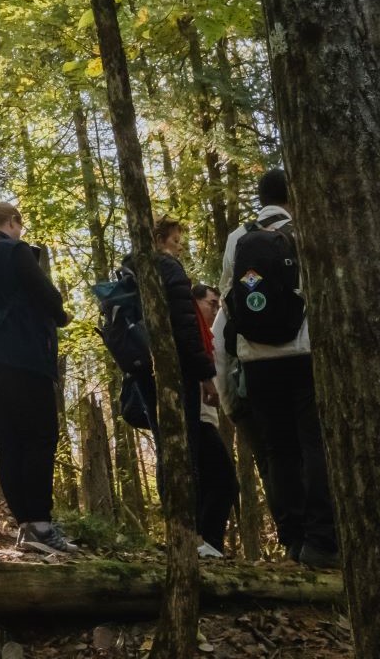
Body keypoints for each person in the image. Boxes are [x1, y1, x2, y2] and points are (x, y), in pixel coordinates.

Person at [215, 169, 338, 568]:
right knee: (314, 444)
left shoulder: (238, 237)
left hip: (256, 358)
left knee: (278, 450)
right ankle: (322, 542)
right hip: (304, 354)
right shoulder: (307, 232)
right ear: (292, 196)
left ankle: (292, 539)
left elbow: (228, 296)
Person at [0, 201, 79, 558]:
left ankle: (27, 525)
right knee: (40, 436)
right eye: (19, 225)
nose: (21, 231)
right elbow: (48, 297)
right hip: (23, 357)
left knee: (9, 440)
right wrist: (61, 313)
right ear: (12, 222)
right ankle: (40, 525)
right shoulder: (15, 251)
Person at [123, 219, 224, 557]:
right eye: (176, 240)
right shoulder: (168, 267)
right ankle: (189, 535)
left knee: (168, 449)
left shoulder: (130, 270)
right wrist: (206, 374)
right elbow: (185, 325)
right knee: (185, 448)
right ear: (160, 240)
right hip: (173, 369)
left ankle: (177, 532)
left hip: (141, 369)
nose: (180, 246)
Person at [189, 282, 240, 557]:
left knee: (214, 482)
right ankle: (208, 544)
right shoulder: (190, 332)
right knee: (225, 481)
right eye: (211, 303)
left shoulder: (206, 337)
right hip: (196, 417)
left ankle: (209, 545)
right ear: (195, 303)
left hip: (206, 418)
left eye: (218, 305)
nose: (214, 309)